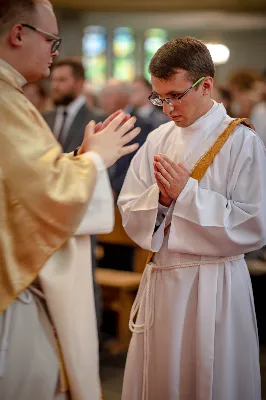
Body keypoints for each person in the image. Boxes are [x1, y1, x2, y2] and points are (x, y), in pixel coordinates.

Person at [0, 1, 140, 399]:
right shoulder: (7, 104)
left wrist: (79, 160)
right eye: (51, 39)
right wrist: (97, 159)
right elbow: (48, 196)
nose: (54, 51)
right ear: (18, 34)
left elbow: (22, 183)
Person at [118, 36, 266, 400]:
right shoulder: (158, 139)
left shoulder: (241, 142)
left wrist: (187, 195)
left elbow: (255, 224)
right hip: (164, 280)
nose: (166, 107)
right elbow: (129, 205)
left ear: (206, 86)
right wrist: (161, 200)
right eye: (159, 97)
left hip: (216, 284)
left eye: (175, 96)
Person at [43, 57, 104, 330]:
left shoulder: (98, 119)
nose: (56, 86)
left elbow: (104, 169)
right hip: (46, 215)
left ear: (79, 83)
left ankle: (91, 343)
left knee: (83, 280)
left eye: (63, 80)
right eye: (54, 80)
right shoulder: (44, 118)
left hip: (81, 213)